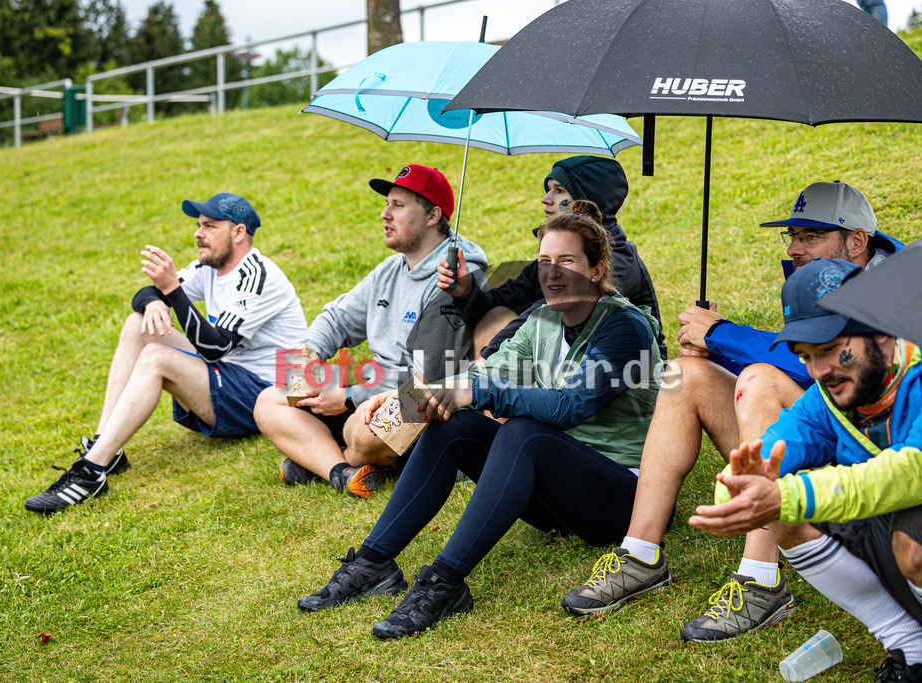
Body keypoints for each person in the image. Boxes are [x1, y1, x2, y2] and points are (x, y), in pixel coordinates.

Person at [295, 200, 662, 639]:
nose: (553, 273)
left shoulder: (624, 327)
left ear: (598, 270)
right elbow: (482, 373)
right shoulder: (542, 321)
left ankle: (445, 583)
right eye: (544, 261)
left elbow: (571, 405)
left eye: (567, 261)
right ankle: (374, 562)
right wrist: (401, 400)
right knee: (453, 426)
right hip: (557, 496)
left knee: (525, 434)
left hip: (619, 498)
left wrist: (476, 391)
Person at [560, 181, 905, 643]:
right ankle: (640, 552)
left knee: (759, 380)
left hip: (867, 475)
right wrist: (711, 349)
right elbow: (805, 369)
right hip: (813, 444)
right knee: (686, 375)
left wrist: (721, 333)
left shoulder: (893, 286)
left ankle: (760, 580)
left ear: (857, 240)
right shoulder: (820, 277)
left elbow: (832, 372)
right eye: (792, 235)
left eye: (809, 236)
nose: (794, 247)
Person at [689, 257, 922, 682]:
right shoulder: (829, 397)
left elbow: (921, 471)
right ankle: (916, 651)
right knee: (778, 509)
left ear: (879, 328)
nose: (818, 372)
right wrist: (739, 491)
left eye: (829, 350)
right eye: (805, 356)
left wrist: (788, 493)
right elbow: (761, 462)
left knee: (921, 524)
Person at [25, 193, 309, 513]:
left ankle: (90, 473)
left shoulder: (258, 276)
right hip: (232, 376)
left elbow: (215, 348)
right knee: (139, 324)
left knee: (156, 358)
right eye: (198, 225)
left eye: (210, 226)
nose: (197, 233)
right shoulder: (210, 268)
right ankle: (105, 444)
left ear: (239, 233)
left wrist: (172, 290)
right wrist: (158, 300)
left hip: (269, 396)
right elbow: (145, 294)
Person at [253, 164, 487, 498]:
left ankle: (320, 458)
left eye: (398, 206)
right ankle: (342, 471)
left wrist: (350, 396)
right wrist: (308, 355)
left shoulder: (457, 279)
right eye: (386, 204)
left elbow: (428, 375)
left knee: (367, 434)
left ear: (433, 215)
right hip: (370, 393)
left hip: (425, 401)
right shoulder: (391, 269)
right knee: (269, 401)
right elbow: (336, 319)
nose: (384, 214)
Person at [439, 155, 666, 360]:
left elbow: (540, 315)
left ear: (587, 200)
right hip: (565, 364)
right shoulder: (557, 256)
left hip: (622, 376)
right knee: (496, 317)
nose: (545, 199)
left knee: (528, 338)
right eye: (549, 189)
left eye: (559, 191)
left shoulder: (612, 263)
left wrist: (488, 360)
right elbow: (500, 303)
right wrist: (466, 292)